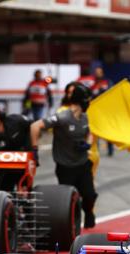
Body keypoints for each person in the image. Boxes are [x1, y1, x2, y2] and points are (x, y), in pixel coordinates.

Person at [30, 82, 97, 228]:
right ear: (82, 100)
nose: (89, 103)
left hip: (83, 163)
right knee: (69, 201)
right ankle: (72, 225)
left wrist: (87, 144)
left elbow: (89, 132)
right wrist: (34, 150)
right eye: (88, 100)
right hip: (65, 166)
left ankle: (89, 213)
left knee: (90, 195)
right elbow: (35, 126)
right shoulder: (62, 117)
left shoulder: (85, 117)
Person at [0, 104, 35, 191]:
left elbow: (34, 126)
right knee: (2, 193)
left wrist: (33, 151)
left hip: (23, 162)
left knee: (25, 192)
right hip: (5, 168)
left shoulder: (16, 121)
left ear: (0, 116)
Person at [91, 66, 114, 156]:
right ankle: (96, 149)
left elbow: (112, 93)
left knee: (107, 130)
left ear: (102, 73)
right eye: (96, 72)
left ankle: (110, 149)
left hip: (106, 110)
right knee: (95, 131)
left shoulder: (108, 82)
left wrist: (103, 91)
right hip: (96, 111)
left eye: (99, 72)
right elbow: (91, 97)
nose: (98, 74)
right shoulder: (93, 85)